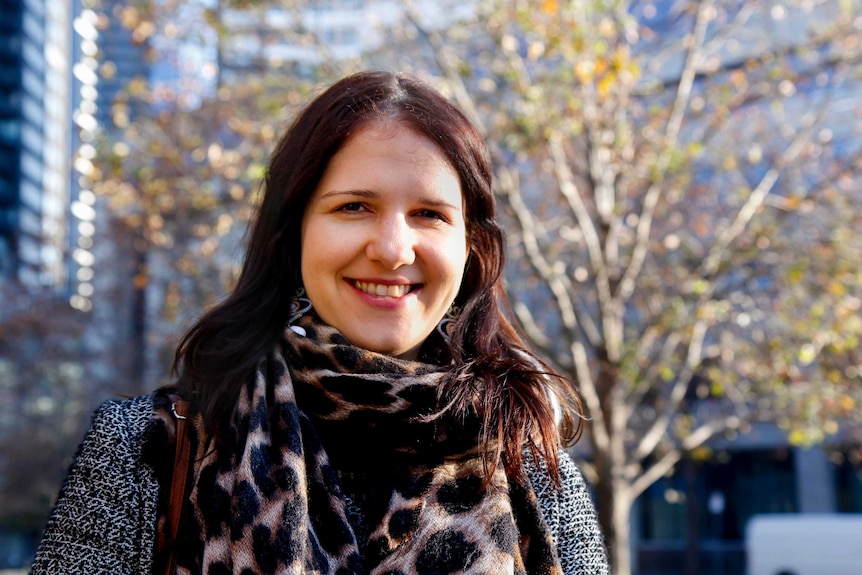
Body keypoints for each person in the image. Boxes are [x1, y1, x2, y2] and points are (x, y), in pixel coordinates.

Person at [30, 70, 609, 575]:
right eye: (353, 206)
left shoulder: (529, 463)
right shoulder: (144, 451)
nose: (392, 248)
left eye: (429, 214)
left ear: (470, 250)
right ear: (295, 234)